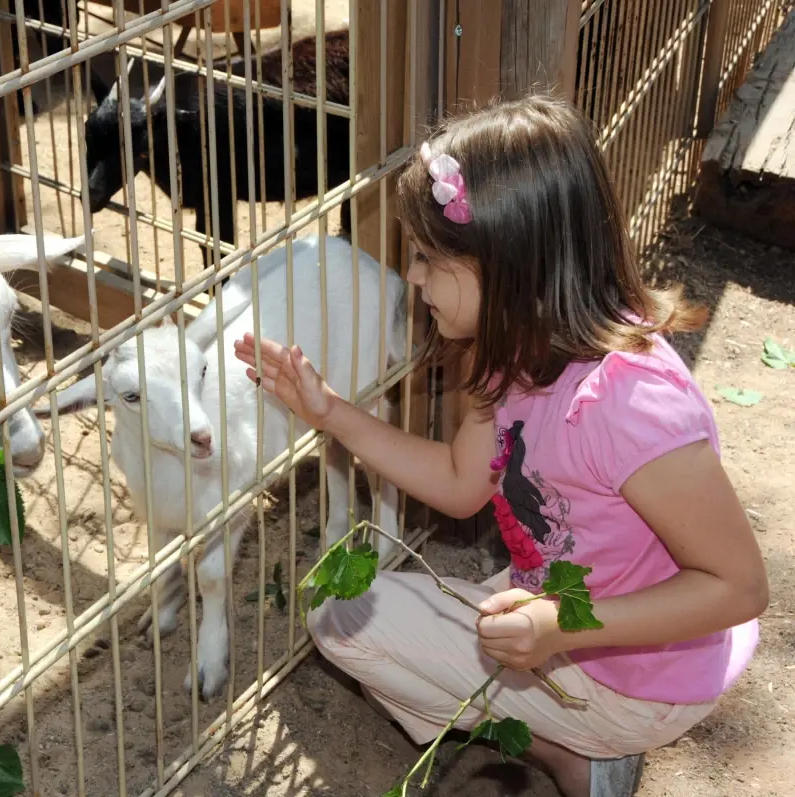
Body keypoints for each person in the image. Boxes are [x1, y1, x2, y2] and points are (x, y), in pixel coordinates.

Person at [232, 95, 768, 797]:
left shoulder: (631, 406)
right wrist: (329, 411)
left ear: (512, 261)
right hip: (557, 613)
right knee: (340, 609)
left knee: (351, 626)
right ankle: (568, 741)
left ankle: (570, 753)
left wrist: (560, 628)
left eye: (427, 257)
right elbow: (462, 480)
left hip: (638, 675)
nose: (414, 277)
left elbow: (740, 586)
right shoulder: (515, 347)